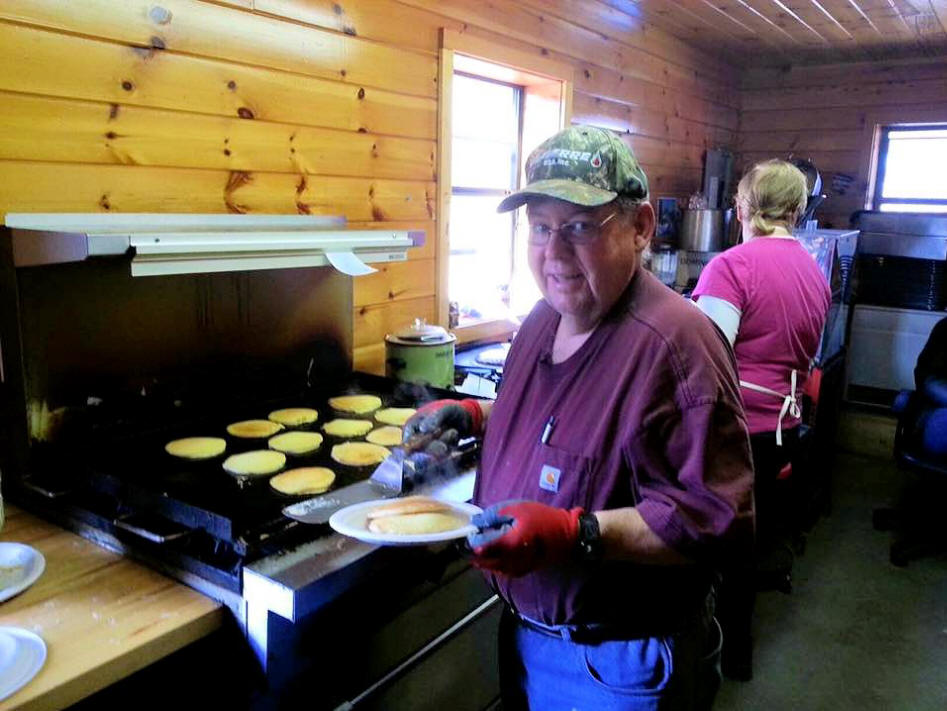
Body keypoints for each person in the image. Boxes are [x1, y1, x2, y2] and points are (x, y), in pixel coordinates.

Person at [405, 125, 754, 710]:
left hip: (616, 667)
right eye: (541, 227)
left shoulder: (678, 346)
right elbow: (572, 422)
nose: (555, 252)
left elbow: (714, 519)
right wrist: (476, 415)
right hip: (525, 635)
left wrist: (578, 534)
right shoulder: (544, 316)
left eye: (579, 227)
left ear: (640, 227)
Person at [691, 159, 831, 681]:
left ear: (742, 208)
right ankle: (739, 654)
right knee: (747, 542)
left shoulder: (732, 266)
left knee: (713, 546)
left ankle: (708, 652)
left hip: (734, 432)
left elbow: (702, 361)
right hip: (783, 433)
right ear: (798, 210)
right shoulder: (814, 272)